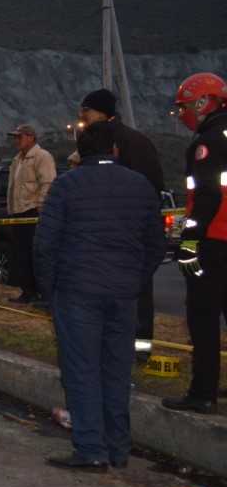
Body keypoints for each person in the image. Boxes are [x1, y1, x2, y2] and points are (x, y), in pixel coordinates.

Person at [35, 121, 163, 470]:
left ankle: (91, 448)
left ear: (80, 151)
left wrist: (50, 290)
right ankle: (118, 448)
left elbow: (45, 244)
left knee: (82, 370)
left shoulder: (66, 186)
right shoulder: (140, 186)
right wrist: (136, 280)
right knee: (117, 370)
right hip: (123, 294)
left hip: (77, 291)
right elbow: (155, 243)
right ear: (116, 150)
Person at [79, 88, 165, 358]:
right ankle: (139, 347)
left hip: (119, 233)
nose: (83, 117)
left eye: (87, 112)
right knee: (136, 293)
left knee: (124, 293)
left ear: (102, 112)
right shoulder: (138, 140)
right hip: (132, 232)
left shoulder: (113, 141)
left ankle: (132, 347)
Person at [166, 72, 227, 415]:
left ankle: (202, 392)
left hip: (214, 240)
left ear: (204, 102)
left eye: (185, 108)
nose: (183, 114)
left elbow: (206, 196)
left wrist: (188, 242)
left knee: (202, 317)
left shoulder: (208, 141)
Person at [5, 123, 56, 304]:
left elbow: (48, 183)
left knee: (36, 254)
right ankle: (28, 291)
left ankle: (42, 294)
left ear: (31, 137)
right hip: (18, 212)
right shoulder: (17, 159)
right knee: (22, 254)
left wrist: (42, 206)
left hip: (33, 211)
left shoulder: (42, 157)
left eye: (19, 137)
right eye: (15, 137)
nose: (16, 141)